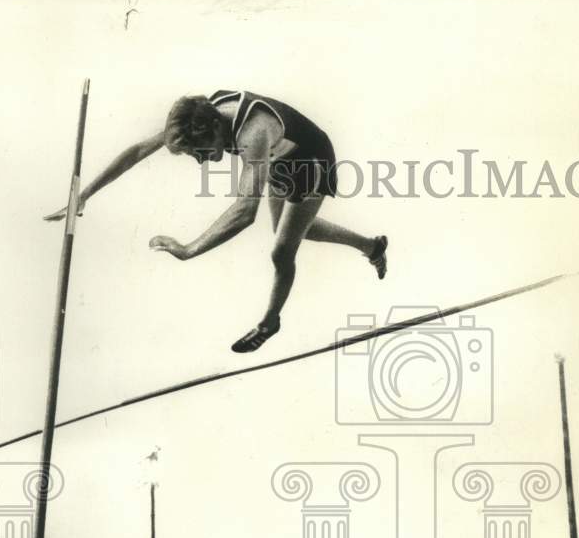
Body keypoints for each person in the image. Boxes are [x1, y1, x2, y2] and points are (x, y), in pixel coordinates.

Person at [45, 90, 388, 354]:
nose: (200, 161)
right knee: (298, 229)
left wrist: (189, 249)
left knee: (282, 251)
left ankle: (270, 322)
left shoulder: (253, 134)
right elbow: (138, 151)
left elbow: (244, 212)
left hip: (311, 157)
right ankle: (372, 246)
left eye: (200, 151)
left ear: (213, 128)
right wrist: (84, 195)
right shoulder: (203, 115)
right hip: (281, 157)